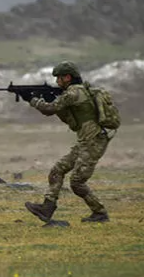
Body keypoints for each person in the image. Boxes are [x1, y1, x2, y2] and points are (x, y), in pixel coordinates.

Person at [24, 61, 115, 223]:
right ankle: (47, 208)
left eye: (59, 78)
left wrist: (32, 100)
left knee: (77, 182)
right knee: (57, 171)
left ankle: (100, 213)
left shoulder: (73, 93)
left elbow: (49, 109)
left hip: (93, 142)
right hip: (85, 141)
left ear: (67, 77)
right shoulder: (76, 92)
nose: (57, 81)